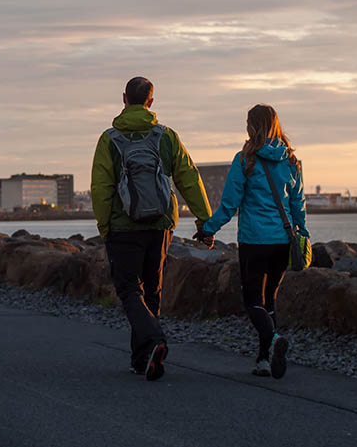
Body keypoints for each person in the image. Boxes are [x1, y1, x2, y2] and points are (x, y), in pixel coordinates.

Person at [91, 76, 213, 381]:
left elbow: (101, 187)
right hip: (159, 224)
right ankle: (143, 359)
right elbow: (189, 177)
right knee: (152, 289)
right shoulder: (166, 136)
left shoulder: (109, 139)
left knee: (130, 289)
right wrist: (204, 221)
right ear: (151, 102)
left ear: (124, 99)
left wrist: (104, 226)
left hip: (123, 225)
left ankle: (152, 342)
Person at [197, 104, 308, 379]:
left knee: (253, 301)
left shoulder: (244, 159)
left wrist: (208, 229)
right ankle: (263, 361)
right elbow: (298, 204)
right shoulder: (291, 161)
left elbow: (229, 204)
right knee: (269, 299)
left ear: (251, 126)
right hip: (282, 241)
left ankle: (272, 340)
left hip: (254, 241)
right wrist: (302, 234)